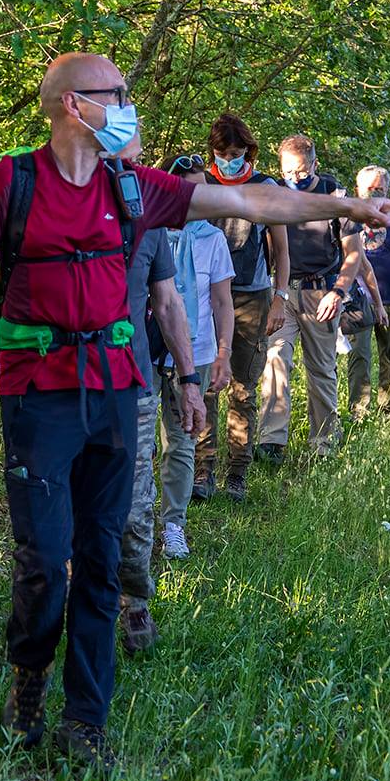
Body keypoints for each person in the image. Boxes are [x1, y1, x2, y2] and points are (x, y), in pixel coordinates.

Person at [0, 52, 390, 767]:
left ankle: (86, 721)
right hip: (38, 396)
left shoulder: (134, 187)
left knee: (101, 558)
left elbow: (253, 201)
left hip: (117, 389)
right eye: (118, 93)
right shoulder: (12, 181)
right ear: (75, 105)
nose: (128, 104)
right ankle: (28, 675)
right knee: (43, 560)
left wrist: (345, 206)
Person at [196, 113, 289, 503]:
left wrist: (280, 298)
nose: (228, 159)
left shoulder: (264, 187)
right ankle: (203, 468)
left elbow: (282, 249)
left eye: (235, 153)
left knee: (242, 388)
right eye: (221, 153)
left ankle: (238, 471)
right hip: (207, 295)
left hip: (252, 295)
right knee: (204, 387)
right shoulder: (203, 183)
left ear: (247, 151)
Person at [257, 135, 366, 462]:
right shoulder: (274, 193)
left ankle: (323, 445)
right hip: (281, 291)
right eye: (288, 172)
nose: (295, 179)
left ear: (315, 165)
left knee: (321, 369)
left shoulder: (335, 197)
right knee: (275, 360)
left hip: (321, 292)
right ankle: (271, 440)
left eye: (302, 172)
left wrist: (338, 292)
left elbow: (354, 253)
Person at [116, 217, 196, 658]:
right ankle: (81, 600)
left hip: (135, 388)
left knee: (133, 508)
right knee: (72, 509)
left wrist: (190, 379)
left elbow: (167, 304)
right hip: (63, 392)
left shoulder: (147, 225)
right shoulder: (54, 206)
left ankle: (136, 604)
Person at [157, 155, 235, 564]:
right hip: (143, 349)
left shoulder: (213, 239)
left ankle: (174, 524)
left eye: (202, 189)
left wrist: (223, 352)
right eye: (190, 189)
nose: (197, 198)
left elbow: (222, 302)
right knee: (130, 442)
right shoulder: (148, 230)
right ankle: (128, 520)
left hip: (197, 352)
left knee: (182, 440)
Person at [346, 165, 390, 420]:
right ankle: (358, 413)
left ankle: (388, 410)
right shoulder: (350, 216)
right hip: (357, 301)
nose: (375, 192)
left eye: (380, 188)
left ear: (387, 190)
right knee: (359, 359)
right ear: (358, 189)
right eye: (369, 188)